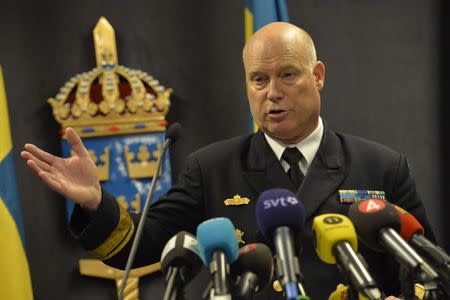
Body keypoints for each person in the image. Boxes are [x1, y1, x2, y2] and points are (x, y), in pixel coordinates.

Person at [21, 22, 435, 299]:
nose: (271, 92)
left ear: (319, 76)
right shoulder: (212, 168)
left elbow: (427, 271)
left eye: (287, 75)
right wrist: (95, 201)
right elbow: (135, 247)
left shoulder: (381, 166)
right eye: (258, 79)